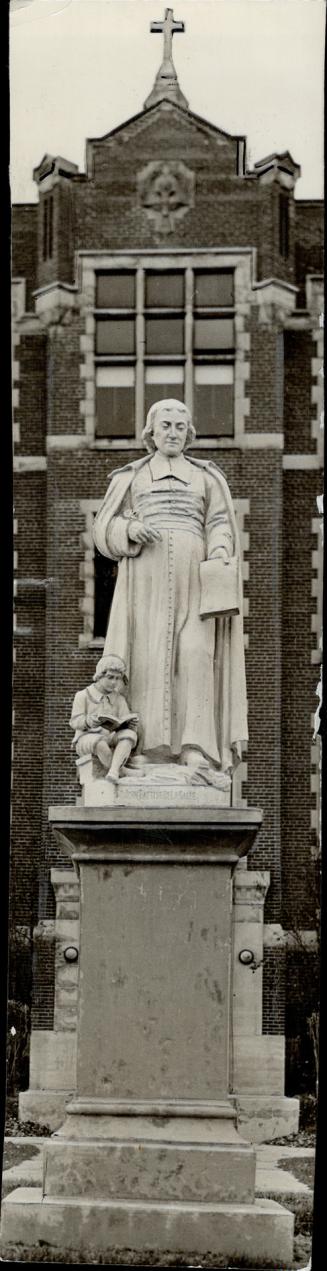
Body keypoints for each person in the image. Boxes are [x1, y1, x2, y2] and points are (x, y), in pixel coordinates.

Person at [93, 400, 248, 775]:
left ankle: (194, 748)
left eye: (181, 426)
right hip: (146, 575)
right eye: (166, 425)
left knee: (196, 654)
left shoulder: (207, 477)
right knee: (147, 657)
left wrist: (221, 546)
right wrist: (128, 529)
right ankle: (149, 747)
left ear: (189, 432)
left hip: (196, 575)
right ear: (151, 431)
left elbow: (220, 522)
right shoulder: (132, 477)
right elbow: (103, 531)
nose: (174, 432)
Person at [70, 654, 139, 784]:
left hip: (110, 736)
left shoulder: (119, 699)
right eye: (110, 677)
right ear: (99, 676)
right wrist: (89, 721)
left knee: (129, 734)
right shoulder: (83, 695)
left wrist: (129, 724)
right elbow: (74, 722)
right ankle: (120, 770)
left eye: (117, 679)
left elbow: (124, 718)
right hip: (86, 738)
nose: (114, 682)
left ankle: (113, 771)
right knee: (100, 742)